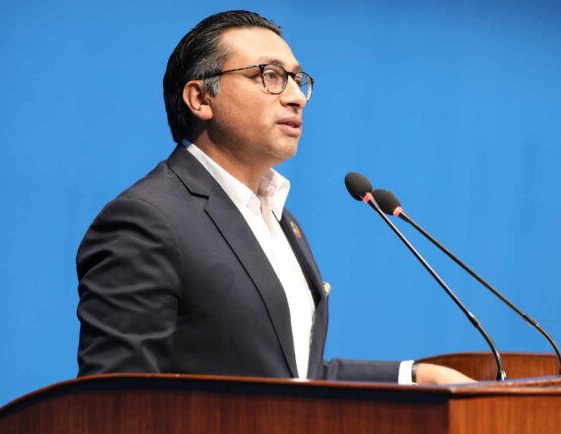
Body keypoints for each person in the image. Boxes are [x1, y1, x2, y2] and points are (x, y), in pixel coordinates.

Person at [76, 10, 472, 385]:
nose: (297, 97)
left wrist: (415, 376)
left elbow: (294, 376)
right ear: (200, 99)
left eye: (297, 80)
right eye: (269, 76)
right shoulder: (148, 221)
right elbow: (117, 402)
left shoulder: (279, 218)